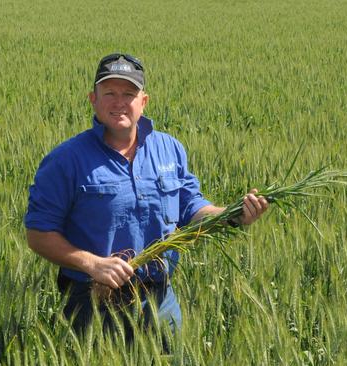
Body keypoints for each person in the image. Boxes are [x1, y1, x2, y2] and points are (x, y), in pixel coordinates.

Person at [24, 53, 268, 338]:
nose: (119, 102)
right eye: (109, 93)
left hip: (160, 299)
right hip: (94, 301)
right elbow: (38, 234)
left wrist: (233, 214)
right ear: (93, 99)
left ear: (144, 101)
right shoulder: (66, 160)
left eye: (129, 93)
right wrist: (92, 264)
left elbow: (192, 208)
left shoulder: (169, 149)